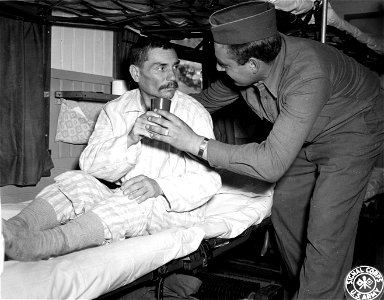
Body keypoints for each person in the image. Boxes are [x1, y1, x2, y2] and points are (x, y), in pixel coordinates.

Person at [146, 1, 384, 299]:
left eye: (225, 65)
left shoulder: (308, 73)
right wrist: (154, 108)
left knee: (327, 225)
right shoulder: (249, 68)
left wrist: (195, 143)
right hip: (307, 133)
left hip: (353, 130)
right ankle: (307, 286)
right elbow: (204, 101)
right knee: (286, 207)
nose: (219, 69)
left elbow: (270, 164)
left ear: (253, 64)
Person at [3, 38, 221, 261]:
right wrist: (130, 138)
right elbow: (90, 166)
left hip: (173, 211)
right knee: (77, 181)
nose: (172, 77)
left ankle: (46, 243)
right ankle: (13, 229)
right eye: (161, 68)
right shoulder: (116, 108)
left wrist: (158, 186)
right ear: (136, 74)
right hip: (126, 199)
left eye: (174, 67)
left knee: (136, 199)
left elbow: (210, 181)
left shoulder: (193, 113)